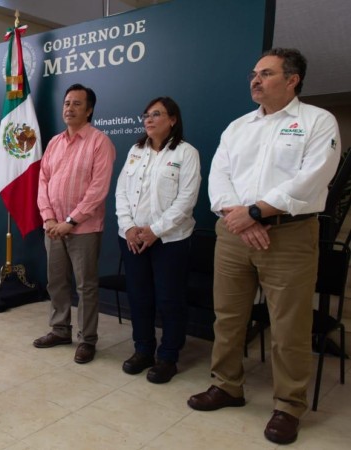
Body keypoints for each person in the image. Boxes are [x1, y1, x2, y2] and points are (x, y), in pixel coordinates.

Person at [188, 48, 341, 445]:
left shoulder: (318, 122)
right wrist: (242, 218)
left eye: (266, 74)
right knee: (228, 316)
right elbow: (218, 176)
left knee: (289, 326)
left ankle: (288, 406)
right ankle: (227, 386)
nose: (255, 80)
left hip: (289, 235)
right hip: (234, 233)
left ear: (293, 80)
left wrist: (257, 211)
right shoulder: (238, 126)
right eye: (254, 74)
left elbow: (313, 178)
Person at [114, 97, 201, 384]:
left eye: (156, 114)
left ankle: (168, 356)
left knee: (169, 299)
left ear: (173, 119)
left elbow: (186, 200)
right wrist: (128, 227)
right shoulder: (136, 150)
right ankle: (143, 350)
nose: (148, 120)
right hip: (133, 238)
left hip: (170, 240)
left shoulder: (186, 153)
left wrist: (155, 230)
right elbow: (122, 192)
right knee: (139, 298)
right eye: (146, 115)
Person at [33, 83, 116, 364]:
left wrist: (70, 221)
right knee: (56, 282)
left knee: (86, 286)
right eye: (67, 103)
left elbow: (98, 189)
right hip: (53, 227)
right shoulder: (55, 142)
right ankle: (59, 330)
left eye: (77, 104)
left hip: (83, 229)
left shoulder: (100, 142)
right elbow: (42, 181)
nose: (69, 108)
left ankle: (87, 340)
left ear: (90, 109)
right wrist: (49, 218)